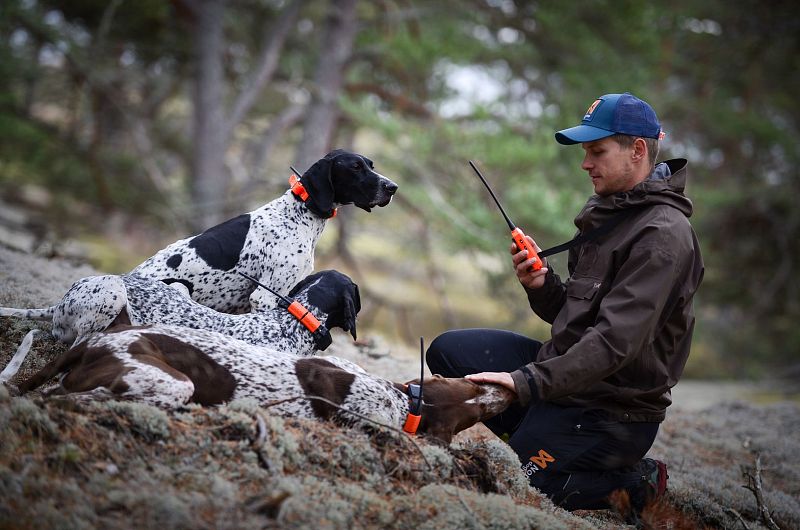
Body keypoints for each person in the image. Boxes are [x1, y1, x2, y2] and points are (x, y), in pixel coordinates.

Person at [427, 93, 704, 516]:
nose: (585, 163)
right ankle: (540, 439)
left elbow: (613, 344)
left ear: (638, 150)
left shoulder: (662, 236)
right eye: (585, 152)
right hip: (569, 380)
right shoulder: (608, 209)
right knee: (449, 351)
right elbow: (576, 318)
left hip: (611, 412)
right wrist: (542, 286)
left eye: (597, 151)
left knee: (509, 481)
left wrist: (523, 383)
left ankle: (636, 481)